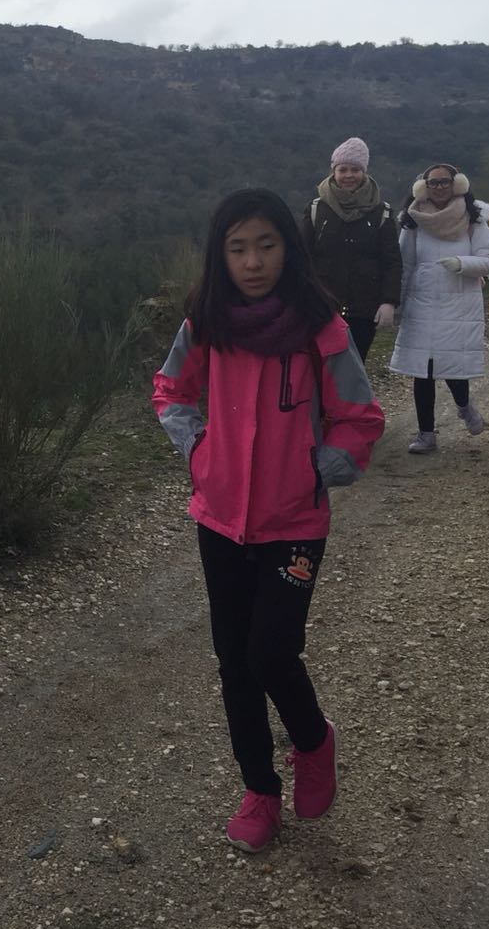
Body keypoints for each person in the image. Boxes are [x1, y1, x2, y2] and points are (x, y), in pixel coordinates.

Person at [152, 189, 386, 854]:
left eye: (266, 245)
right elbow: (171, 389)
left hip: (294, 522)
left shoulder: (322, 329)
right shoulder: (207, 322)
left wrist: (321, 468)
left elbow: (360, 417)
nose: (252, 262)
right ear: (219, 255)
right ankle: (259, 792)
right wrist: (198, 449)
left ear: (290, 248)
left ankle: (313, 741)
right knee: (234, 661)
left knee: (271, 652)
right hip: (220, 517)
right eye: (237, 249)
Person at [389, 164, 489, 454]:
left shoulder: (474, 218)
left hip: (459, 303)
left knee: (453, 366)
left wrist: (462, 264)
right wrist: (397, 303)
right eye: (433, 182)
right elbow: (405, 265)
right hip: (421, 302)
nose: (439, 187)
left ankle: (464, 406)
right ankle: (426, 434)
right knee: (422, 370)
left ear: (456, 184)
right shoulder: (413, 220)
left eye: (444, 182)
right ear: (423, 186)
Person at [299, 137, 401, 360]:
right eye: (343, 169)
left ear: (364, 172)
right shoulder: (316, 209)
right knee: (319, 363)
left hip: (365, 307)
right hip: (322, 304)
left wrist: (389, 301)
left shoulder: (381, 212)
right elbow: (302, 257)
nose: (349, 175)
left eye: (355, 170)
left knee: (355, 365)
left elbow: (391, 260)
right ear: (333, 171)